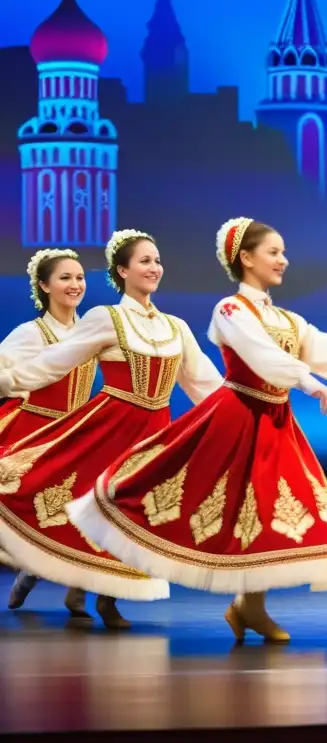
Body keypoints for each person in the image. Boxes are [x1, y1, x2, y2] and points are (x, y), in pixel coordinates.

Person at [68, 218, 327, 643]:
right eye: (273, 252)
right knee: (214, 504)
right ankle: (122, 567)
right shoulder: (230, 310)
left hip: (274, 422)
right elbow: (260, 354)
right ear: (246, 258)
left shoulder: (289, 320)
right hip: (236, 419)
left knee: (269, 511)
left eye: (283, 252)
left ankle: (249, 606)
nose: (283, 260)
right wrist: (304, 380)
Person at [0, 229, 223, 628]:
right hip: (109, 429)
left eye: (157, 261)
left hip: (154, 436)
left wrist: (243, 412)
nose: (154, 268)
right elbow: (53, 363)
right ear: (122, 270)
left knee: (131, 517)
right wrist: (6, 382)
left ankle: (101, 595)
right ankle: (50, 574)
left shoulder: (175, 327)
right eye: (144, 261)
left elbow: (205, 383)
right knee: (78, 504)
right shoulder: (107, 318)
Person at [2, 249, 96, 612]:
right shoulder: (31, 333)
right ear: (44, 285)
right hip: (33, 430)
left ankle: (77, 587)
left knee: (87, 508)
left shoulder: (94, 328)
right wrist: (18, 386)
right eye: (65, 278)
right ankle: (30, 568)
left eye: (79, 278)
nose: (75, 285)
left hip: (78, 431)